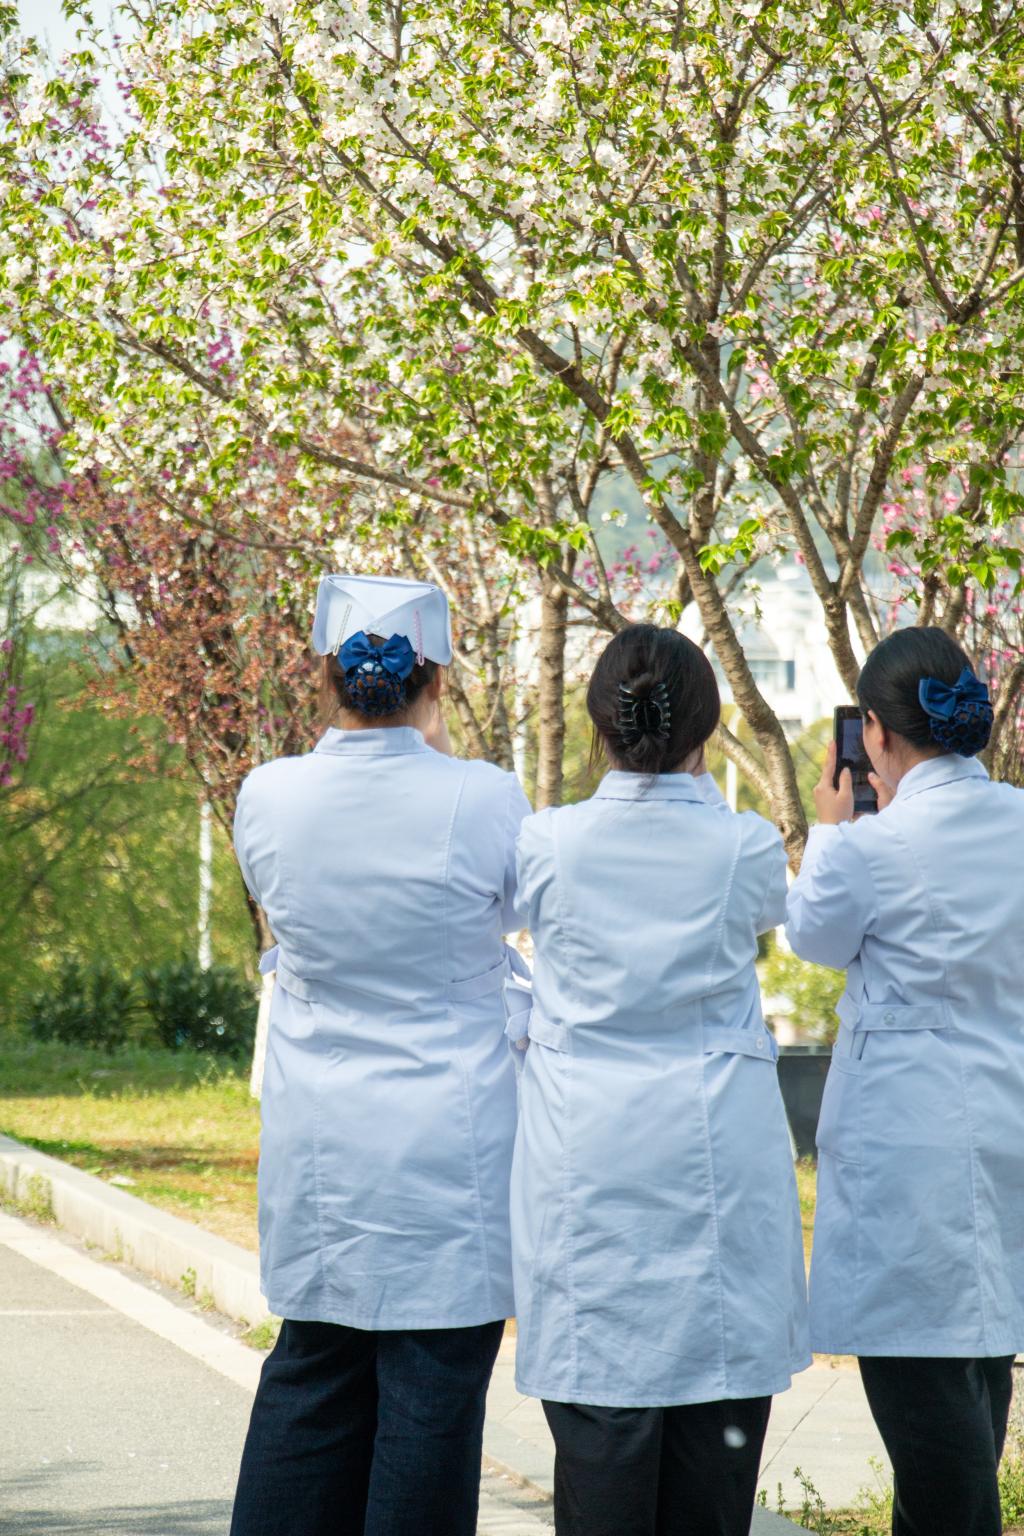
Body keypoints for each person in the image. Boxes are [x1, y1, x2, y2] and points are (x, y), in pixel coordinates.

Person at [229, 574, 532, 1536]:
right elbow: (516, 913)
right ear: (435, 679)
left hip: (322, 1134)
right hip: (451, 1141)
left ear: (324, 675)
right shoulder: (486, 797)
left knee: (310, 1377)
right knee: (433, 1400)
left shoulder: (268, 793)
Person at [510, 624, 811, 1536]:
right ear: (706, 728)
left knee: (600, 1434)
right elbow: (790, 912)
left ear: (600, 724)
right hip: (713, 1153)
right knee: (712, 1459)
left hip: (587, 1159)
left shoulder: (548, 842)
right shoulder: (743, 847)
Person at [786, 625, 1024, 1536]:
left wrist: (829, 826)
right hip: (1006, 1120)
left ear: (875, 734)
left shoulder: (869, 848)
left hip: (907, 1147)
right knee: (980, 1366)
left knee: (929, 1416)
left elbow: (813, 936)